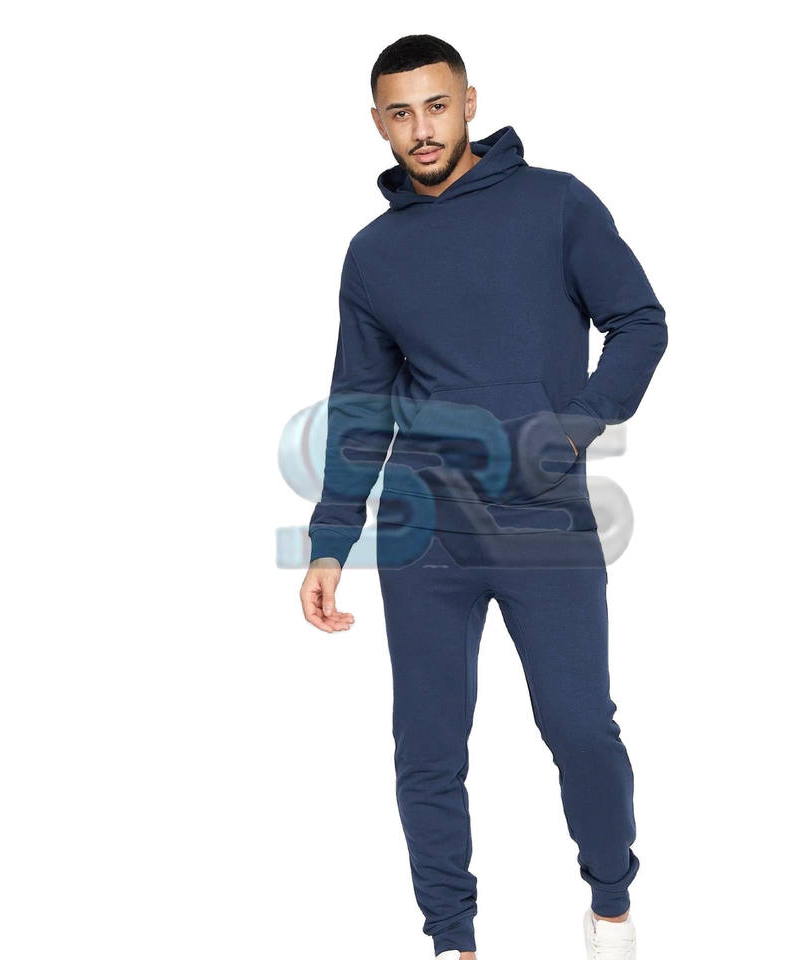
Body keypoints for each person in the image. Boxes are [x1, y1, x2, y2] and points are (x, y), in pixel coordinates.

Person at [300, 34, 667, 960]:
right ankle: (452, 940)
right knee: (427, 748)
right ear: (378, 123)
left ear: (469, 102)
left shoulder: (556, 204)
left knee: (580, 728)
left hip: (543, 517)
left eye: (436, 106)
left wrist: (573, 426)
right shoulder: (373, 253)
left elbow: (639, 322)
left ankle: (611, 904)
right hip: (423, 532)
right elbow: (360, 405)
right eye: (400, 114)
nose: (421, 130)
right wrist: (330, 539)